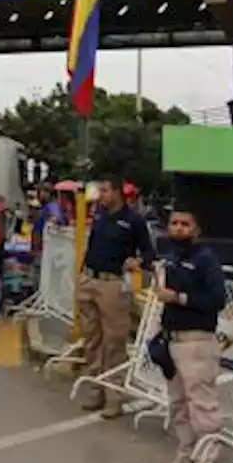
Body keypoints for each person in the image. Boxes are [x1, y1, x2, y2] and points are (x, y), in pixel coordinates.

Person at [152, 208, 227, 463]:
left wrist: (180, 298)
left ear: (196, 230)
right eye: (174, 223)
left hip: (197, 341)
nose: (179, 228)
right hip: (172, 340)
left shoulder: (205, 259)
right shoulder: (171, 258)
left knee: (203, 408)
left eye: (186, 224)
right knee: (179, 404)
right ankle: (185, 459)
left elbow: (217, 299)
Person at [74, 175, 155, 418]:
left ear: (118, 192)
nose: (101, 195)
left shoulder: (134, 221)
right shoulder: (99, 214)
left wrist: (138, 262)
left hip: (112, 284)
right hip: (89, 279)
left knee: (114, 342)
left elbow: (149, 252)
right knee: (92, 339)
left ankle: (114, 396)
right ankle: (96, 388)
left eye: (105, 190)